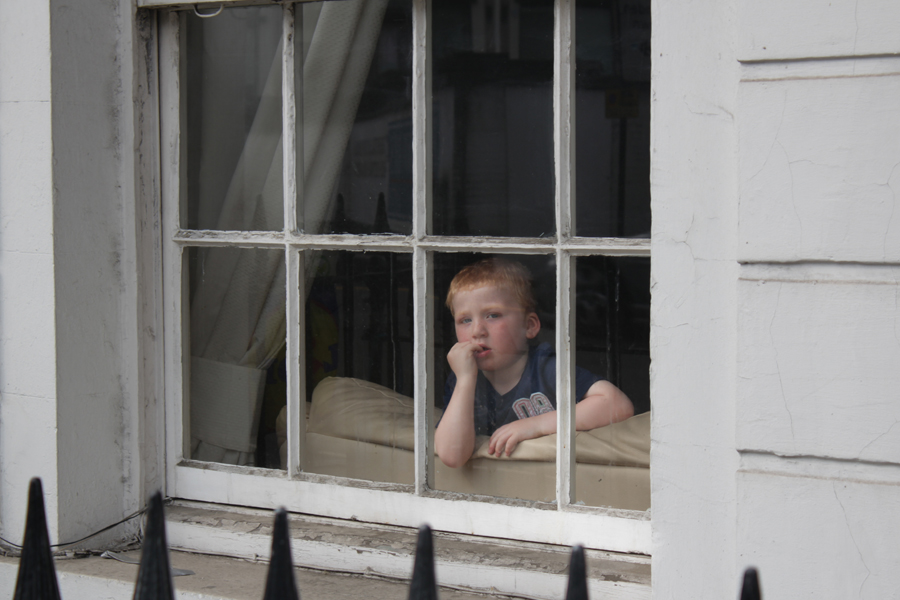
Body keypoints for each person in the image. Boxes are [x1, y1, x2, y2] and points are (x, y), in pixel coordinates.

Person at [435, 258, 634, 468]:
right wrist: (465, 380)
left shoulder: (545, 369)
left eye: (493, 315)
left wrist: (534, 425)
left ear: (529, 326)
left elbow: (617, 405)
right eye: (465, 320)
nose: (477, 331)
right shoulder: (463, 381)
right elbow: (452, 456)